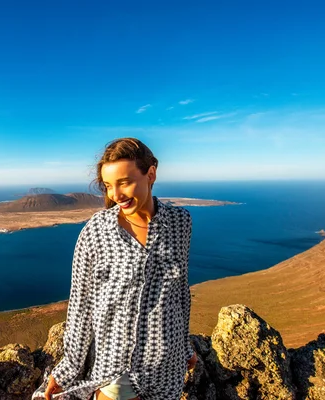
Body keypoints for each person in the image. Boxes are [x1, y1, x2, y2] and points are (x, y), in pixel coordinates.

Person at [32, 138, 197, 400]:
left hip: (168, 368)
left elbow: (180, 294)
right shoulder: (97, 231)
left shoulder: (180, 223)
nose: (115, 195)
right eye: (109, 186)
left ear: (150, 174)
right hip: (117, 370)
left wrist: (184, 347)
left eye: (124, 182)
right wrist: (68, 369)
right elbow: (82, 304)